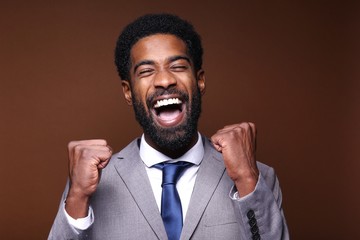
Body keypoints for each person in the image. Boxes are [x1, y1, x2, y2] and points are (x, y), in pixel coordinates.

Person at [48, 13, 289, 240]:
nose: (164, 80)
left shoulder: (258, 178)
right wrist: (78, 197)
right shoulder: (89, 185)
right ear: (128, 91)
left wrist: (246, 179)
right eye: (146, 71)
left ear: (200, 80)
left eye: (178, 66)